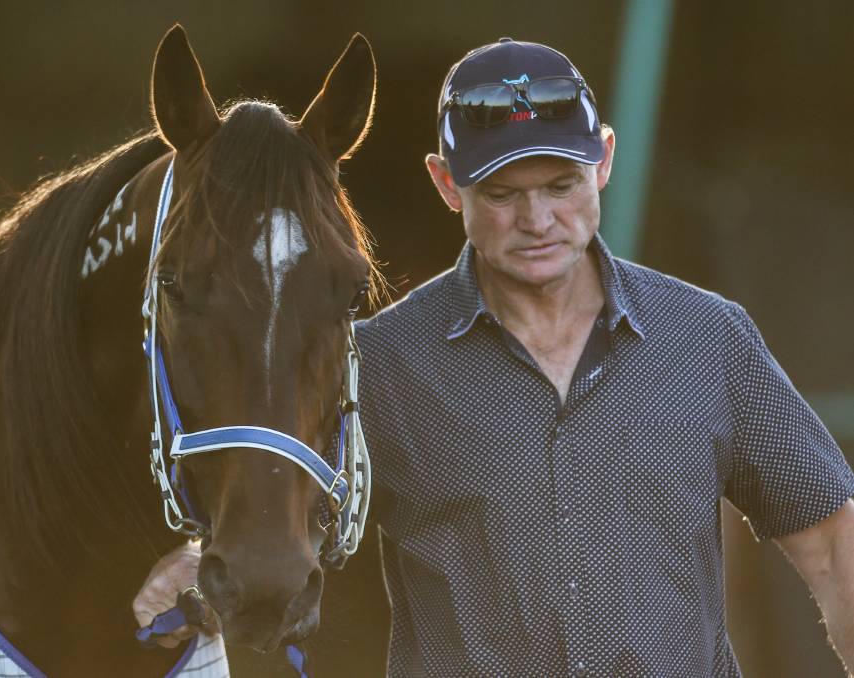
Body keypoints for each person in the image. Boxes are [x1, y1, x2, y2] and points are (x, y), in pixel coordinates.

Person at [133, 38, 854, 677]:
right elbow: (282, 513)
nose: (537, 221)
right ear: (446, 184)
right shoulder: (377, 365)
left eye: (560, 186)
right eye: (502, 194)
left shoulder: (706, 338)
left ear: (603, 160)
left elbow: (832, 546)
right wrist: (198, 566)